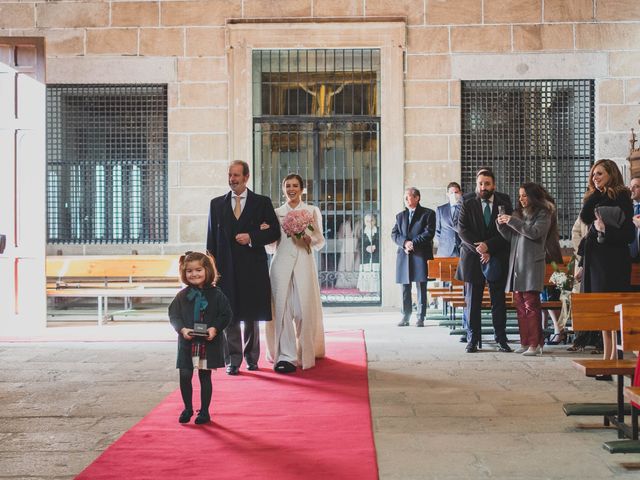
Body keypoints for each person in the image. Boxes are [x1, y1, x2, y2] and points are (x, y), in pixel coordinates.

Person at [206, 160, 281, 375]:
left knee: (250, 314)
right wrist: (211, 271)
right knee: (229, 315)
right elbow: (211, 240)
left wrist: (252, 237)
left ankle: (251, 357)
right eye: (230, 175)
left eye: (236, 175)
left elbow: (274, 232)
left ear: (246, 177)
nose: (232, 179)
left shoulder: (262, 202)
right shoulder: (216, 204)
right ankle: (233, 359)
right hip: (225, 269)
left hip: (252, 268)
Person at [265, 173, 326, 373]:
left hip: (303, 264)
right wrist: (265, 232)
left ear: (301, 189)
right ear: (283, 189)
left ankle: (305, 353)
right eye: (288, 185)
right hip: (280, 265)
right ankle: (286, 356)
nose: (291, 189)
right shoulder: (275, 212)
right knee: (283, 310)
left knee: (302, 311)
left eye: (295, 185)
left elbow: (320, 240)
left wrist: (310, 240)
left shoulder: (311, 210)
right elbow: (271, 246)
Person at [578, 159, 634, 364]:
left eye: (600, 173)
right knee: (602, 309)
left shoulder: (622, 197)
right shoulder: (595, 196)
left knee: (612, 310)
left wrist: (605, 231)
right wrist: (583, 263)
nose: (595, 177)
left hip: (613, 262)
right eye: (593, 174)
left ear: (611, 174)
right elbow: (587, 224)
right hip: (596, 261)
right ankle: (606, 357)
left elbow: (628, 234)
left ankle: (613, 358)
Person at [168, 252, 232, 425]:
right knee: (185, 375)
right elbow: (173, 315)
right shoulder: (182, 296)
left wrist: (214, 328)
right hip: (188, 343)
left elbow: (225, 314)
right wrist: (181, 329)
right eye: (189, 271)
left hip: (207, 343)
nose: (194, 274)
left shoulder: (217, 294)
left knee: (205, 377)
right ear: (184, 273)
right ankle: (187, 407)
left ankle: (204, 411)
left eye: (198, 270)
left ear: (207, 270)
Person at [456, 168, 513, 353]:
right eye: (480, 183)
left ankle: (501, 339)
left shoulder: (504, 201)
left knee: (498, 301)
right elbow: (462, 229)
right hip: (472, 257)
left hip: (496, 256)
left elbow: (507, 231)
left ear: (493, 185)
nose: (483, 187)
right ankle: (472, 339)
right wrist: (480, 248)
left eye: (487, 183)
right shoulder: (467, 201)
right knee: (473, 301)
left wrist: (489, 247)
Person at [497, 183, 553, 356]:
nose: (520, 199)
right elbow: (512, 236)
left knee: (531, 305)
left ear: (533, 196)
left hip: (531, 264)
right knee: (520, 305)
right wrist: (501, 225)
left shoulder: (543, 213)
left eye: (524, 195)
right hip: (517, 264)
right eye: (519, 195)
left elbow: (534, 232)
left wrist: (512, 221)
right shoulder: (518, 214)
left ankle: (535, 344)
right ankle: (525, 341)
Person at [391, 187, 436, 327]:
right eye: (405, 197)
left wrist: (413, 243)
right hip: (404, 255)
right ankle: (405, 316)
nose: (406, 199)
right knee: (405, 287)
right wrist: (405, 243)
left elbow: (429, 233)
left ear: (417, 198)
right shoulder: (400, 216)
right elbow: (394, 234)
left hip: (420, 255)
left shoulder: (428, 214)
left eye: (408, 197)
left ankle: (421, 317)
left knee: (421, 286)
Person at [435, 182, 463, 257]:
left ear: (460, 193)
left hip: (461, 249)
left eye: (456, 192)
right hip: (445, 251)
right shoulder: (441, 209)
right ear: (447, 194)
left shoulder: (465, 209)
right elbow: (437, 230)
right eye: (451, 193)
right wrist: (444, 243)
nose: (454, 195)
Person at [356, 213, 380, 293]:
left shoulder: (379, 230)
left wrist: (375, 246)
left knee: (375, 272)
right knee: (366, 272)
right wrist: (366, 248)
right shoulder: (362, 232)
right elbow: (359, 245)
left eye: (371, 220)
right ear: (364, 222)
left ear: (375, 221)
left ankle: (376, 291)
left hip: (376, 256)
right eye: (367, 221)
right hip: (366, 256)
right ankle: (367, 291)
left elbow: (382, 242)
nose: (370, 223)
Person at [629, 175, 640, 263]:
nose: (631, 190)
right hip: (630, 257)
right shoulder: (627, 208)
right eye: (631, 186)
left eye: (636, 186)